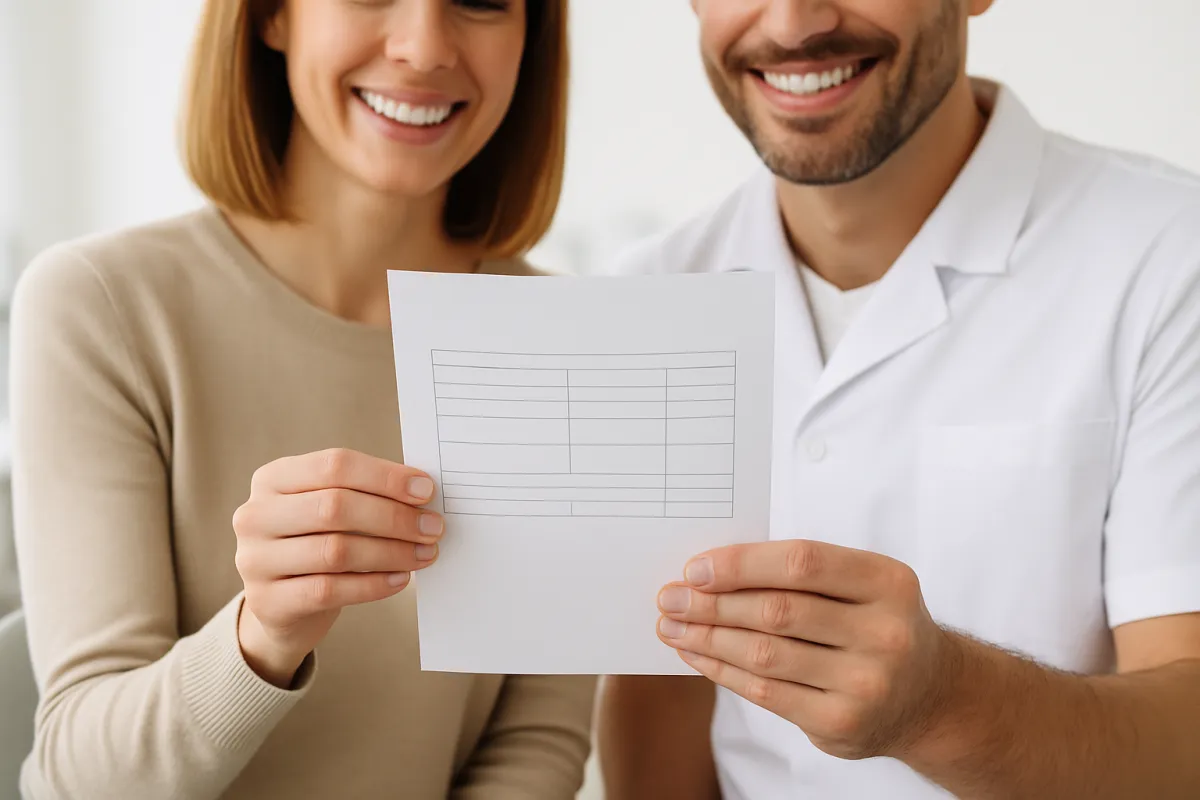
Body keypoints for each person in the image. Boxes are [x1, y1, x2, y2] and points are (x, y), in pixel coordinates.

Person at [598, 1, 1200, 798]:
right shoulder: (644, 301)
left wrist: (943, 704)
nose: (792, 24)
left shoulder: (1170, 260)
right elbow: (659, 713)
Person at [10, 1, 595, 798]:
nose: (424, 48)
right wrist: (263, 636)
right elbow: (85, 777)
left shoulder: (564, 341)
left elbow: (537, 745)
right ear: (271, 17)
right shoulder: (101, 307)